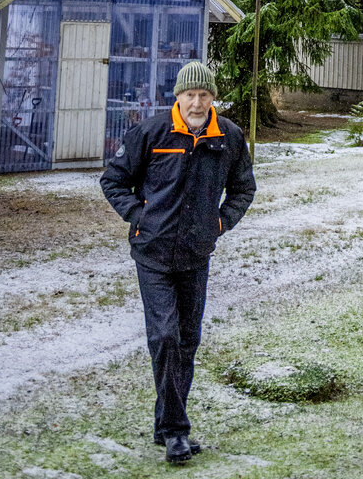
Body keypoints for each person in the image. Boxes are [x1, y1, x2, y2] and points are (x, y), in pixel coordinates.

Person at [100, 60, 256, 465]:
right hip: (152, 252)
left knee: (187, 341)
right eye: (190, 95)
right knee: (165, 337)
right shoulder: (152, 132)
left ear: (213, 97)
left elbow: (243, 189)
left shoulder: (228, 137)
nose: (197, 103)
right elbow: (113, 180)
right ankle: (175, 432)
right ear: (178, 96)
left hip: (195, 254)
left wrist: (220, 222)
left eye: (204, 95)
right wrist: (139, 216)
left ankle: (165, 423)